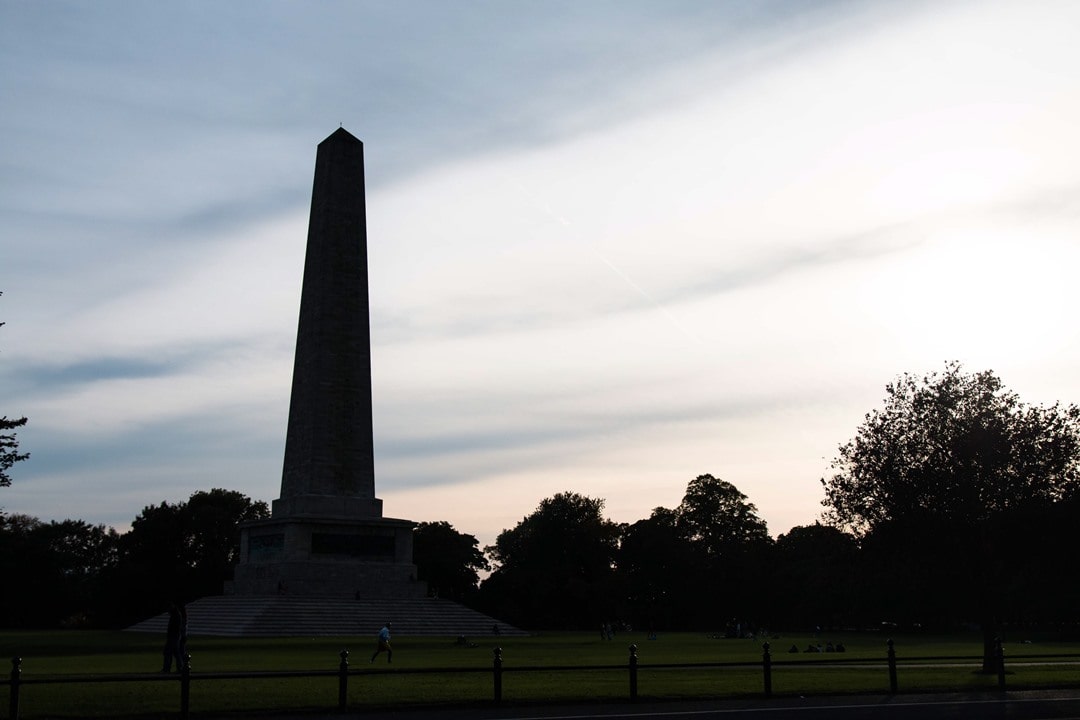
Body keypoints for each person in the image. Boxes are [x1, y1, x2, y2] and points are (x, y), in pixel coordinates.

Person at [161, 603, 184, 672]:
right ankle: (179, 668)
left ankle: (167, 668)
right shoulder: (176, 615)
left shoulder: (175, 615)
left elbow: (175, 628)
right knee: (175, 653)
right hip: (174, 637)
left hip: (173, 637)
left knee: (168, 652)